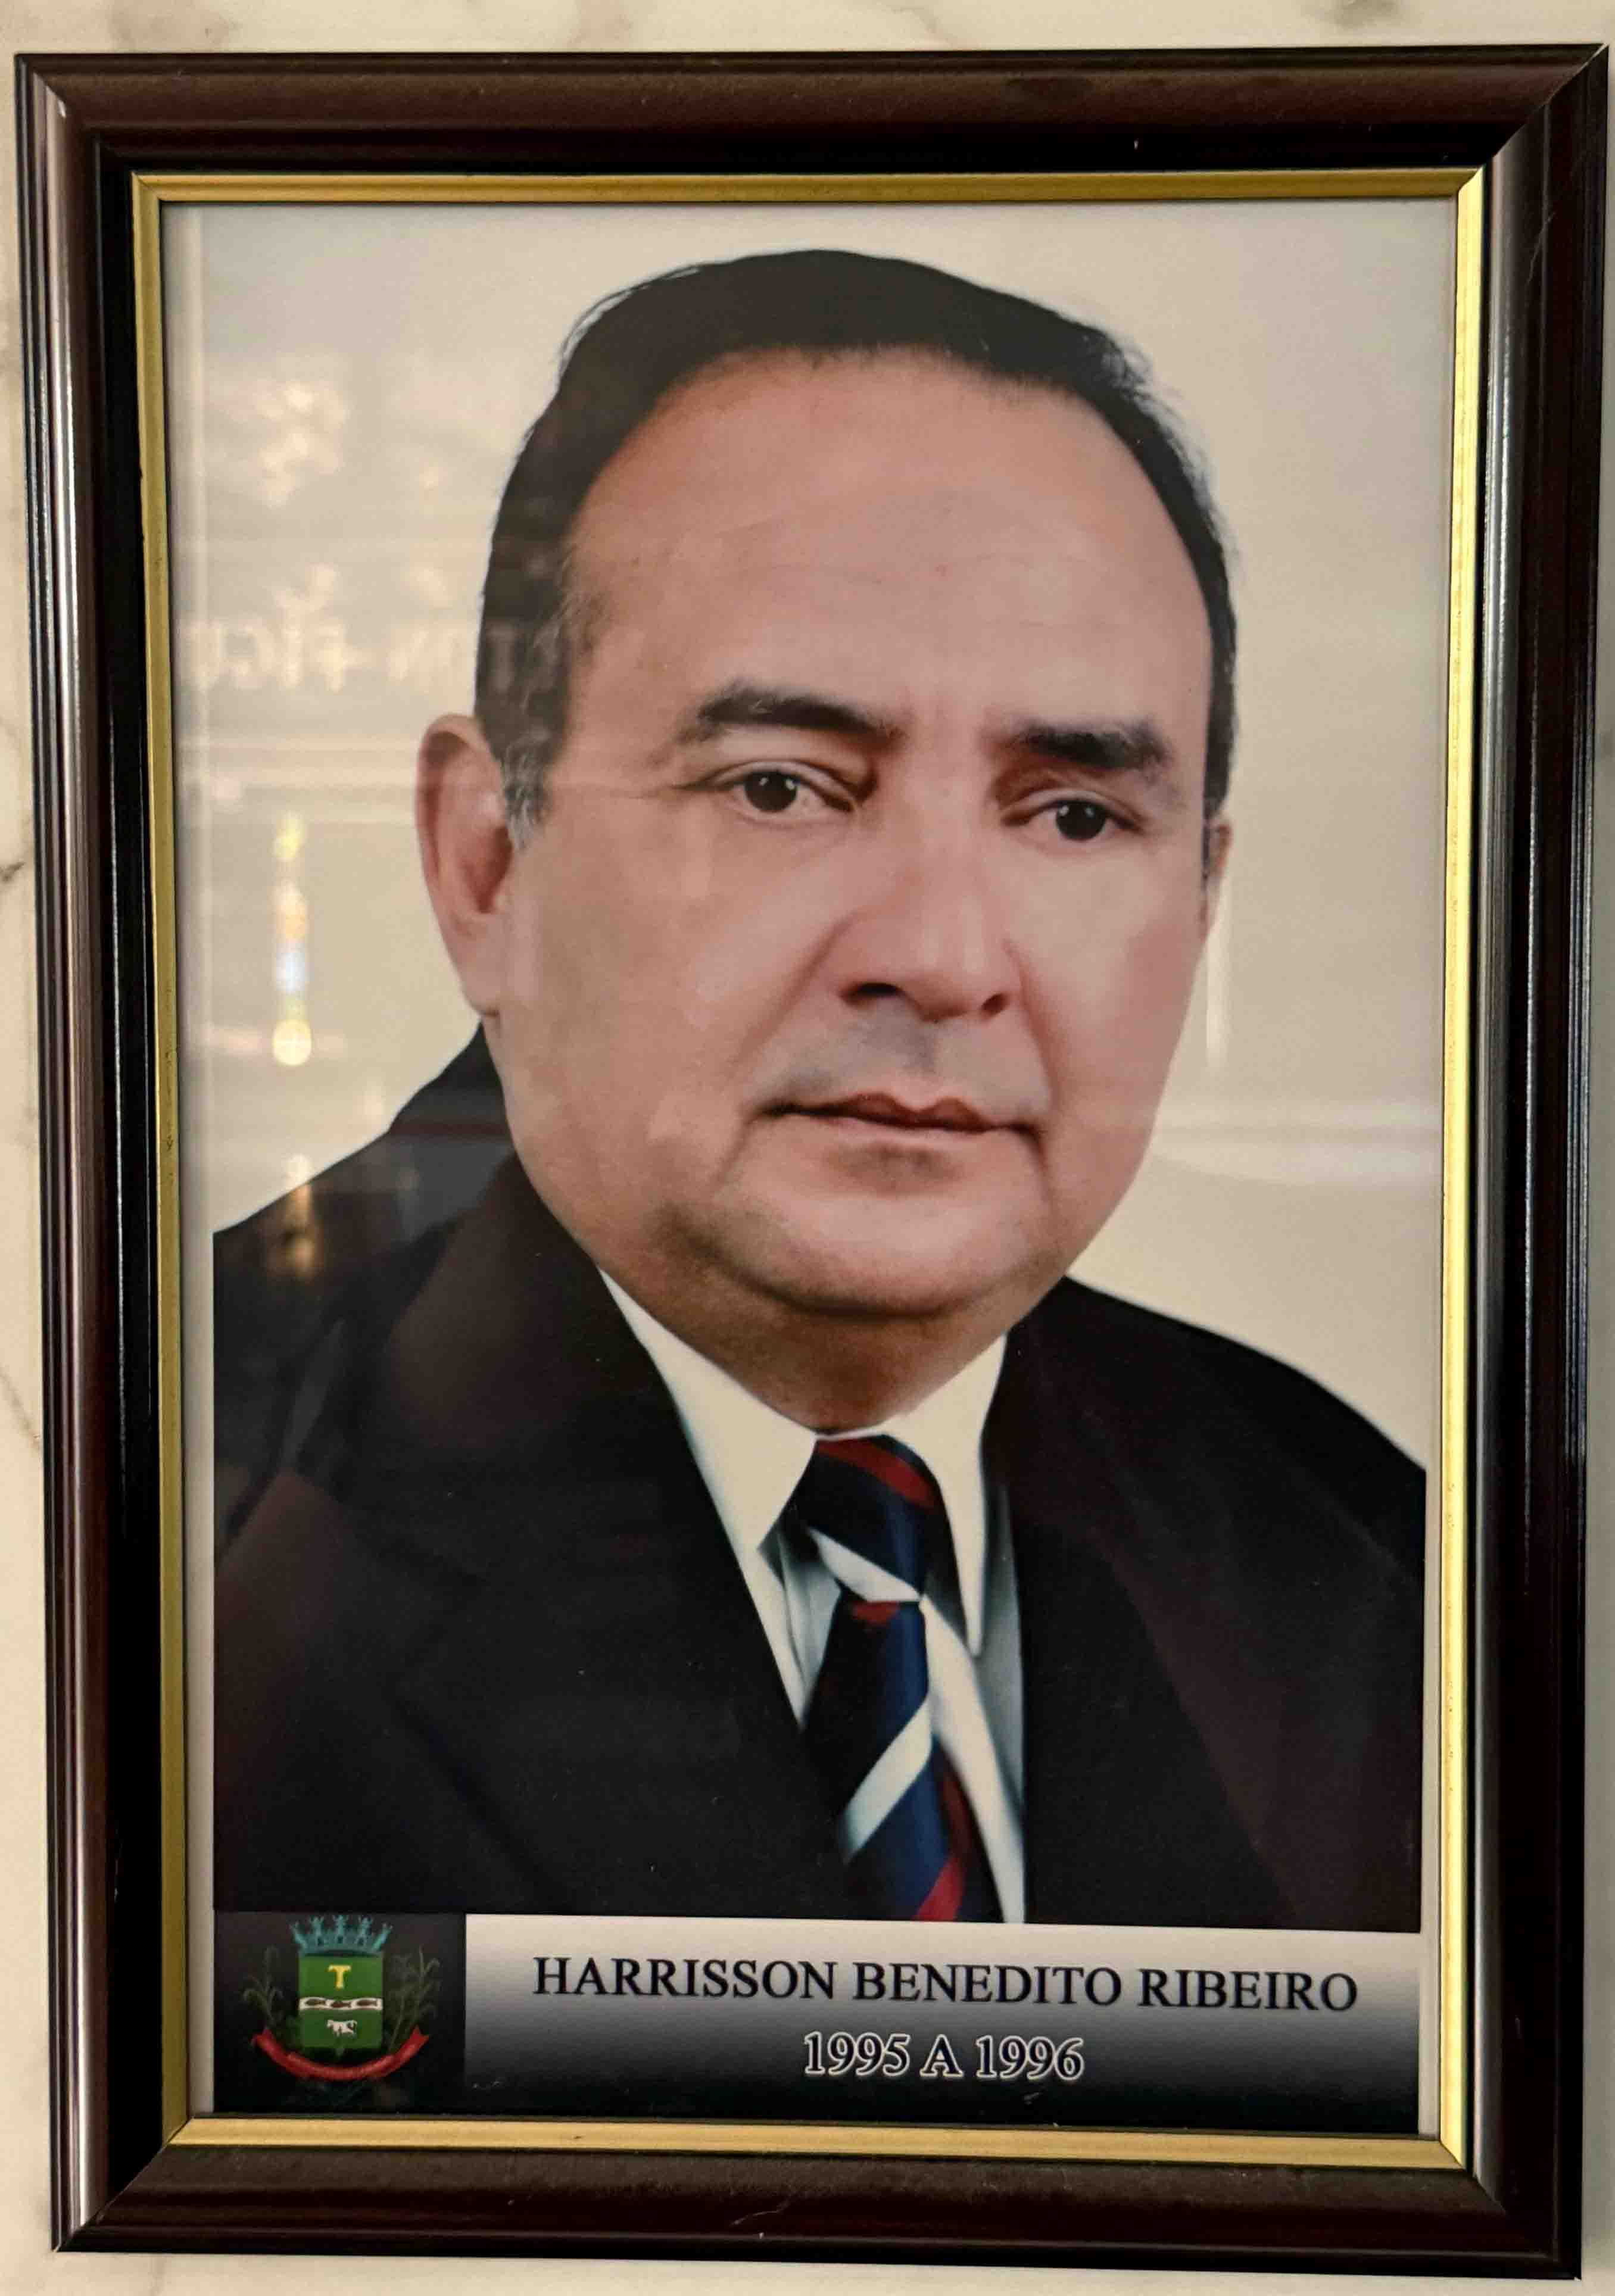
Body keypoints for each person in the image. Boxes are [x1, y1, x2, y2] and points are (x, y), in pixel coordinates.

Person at [214, 250, 1423, 1931]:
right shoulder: (161, 1508)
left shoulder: (1361, 1555)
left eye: (1075, 815)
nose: (942, 958)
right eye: (781, 787)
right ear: (488, 863)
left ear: (1202, 902)